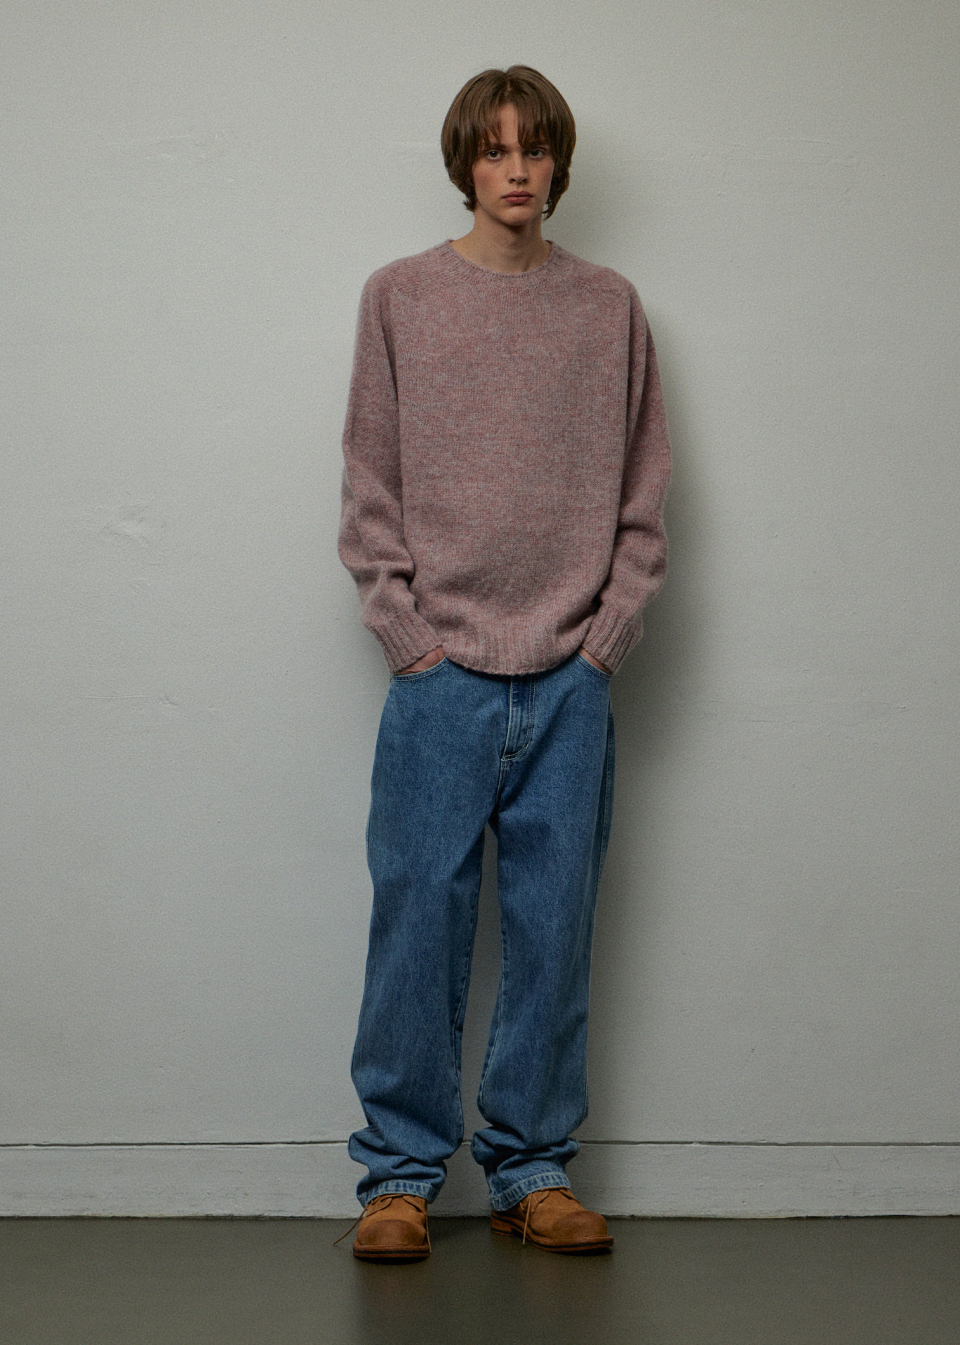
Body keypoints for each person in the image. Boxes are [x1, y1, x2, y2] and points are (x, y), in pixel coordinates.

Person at [338, 65, 670, 1261]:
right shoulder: (400, 298)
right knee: (416, 922)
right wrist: (407, 638)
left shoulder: (610, 308)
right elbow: (370, 482)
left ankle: (533, 1168)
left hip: (571, 676)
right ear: (466, 164)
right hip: (440, 675)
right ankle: (398, 1177)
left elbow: (644, 493)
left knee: (553, 923)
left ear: (559, 164)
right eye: (494, 150)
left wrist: (604, 641)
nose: (516, 169)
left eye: (533, 149)